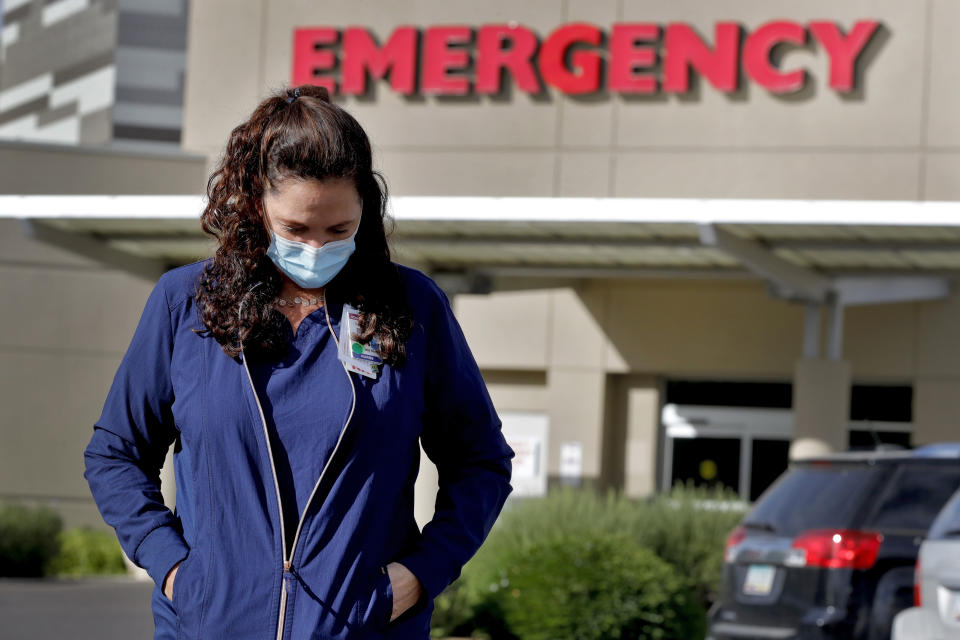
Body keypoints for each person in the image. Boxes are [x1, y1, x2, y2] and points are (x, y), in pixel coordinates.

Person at [82, 84, 515, 640]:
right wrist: (175, 572)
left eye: (339, 230)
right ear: (254, 206)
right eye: (294, 229)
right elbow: (114, 454)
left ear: (367, 209)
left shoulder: (410, 307)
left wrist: (416, 577)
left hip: (364, 628)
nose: (315, 248)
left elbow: (481, 460)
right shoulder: (183, 302)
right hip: (210, 626)